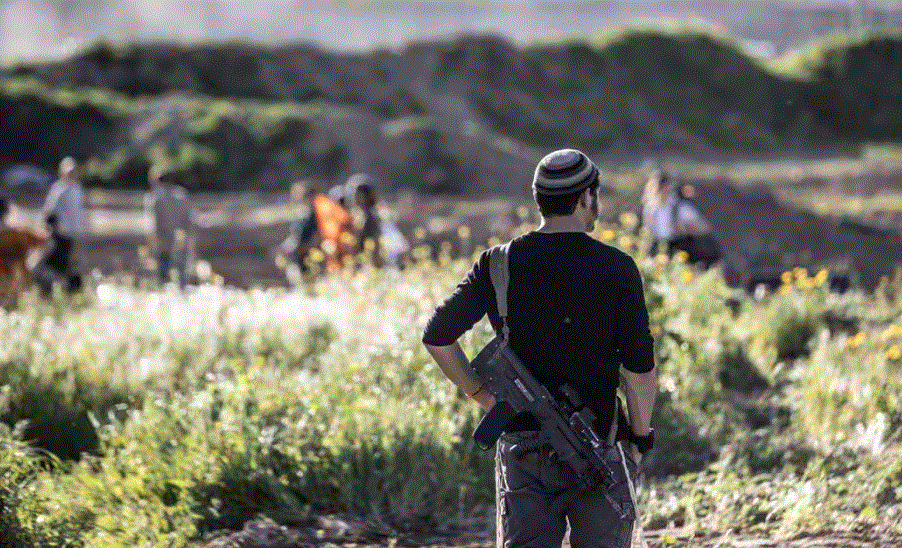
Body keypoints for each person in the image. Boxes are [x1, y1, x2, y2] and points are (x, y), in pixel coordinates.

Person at [423, 149, 657, 548]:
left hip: (523, 453)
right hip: (600, 445)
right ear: (585, 197)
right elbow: (639, 375)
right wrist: (639, 440)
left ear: (539, 200)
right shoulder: (616, 267)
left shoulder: (498, 264)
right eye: (596, 195)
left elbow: (437, 336)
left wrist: (481, 393)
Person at [640, 170, 720, 268]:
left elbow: (703, 227)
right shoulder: (650, 209)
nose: (662, 190)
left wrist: (686, 228)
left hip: (677, 246)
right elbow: (649, 232)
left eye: (664, 187)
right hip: (658, 247)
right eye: (659, 187)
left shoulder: (680, 207)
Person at [144, 165, 194, 289]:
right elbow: (191, 221)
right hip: (181, 243)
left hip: (163, 243)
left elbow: (153, 225)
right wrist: (190, 244)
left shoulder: (154, 197)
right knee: (181, 280)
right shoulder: (182, 194)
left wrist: (153, 246)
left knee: (162, 281)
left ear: (155, 180)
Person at [41, 157, 84, 277]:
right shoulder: (59, 189)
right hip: (60, 233)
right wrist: (51, 230)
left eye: (74, 171)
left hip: (73, 232)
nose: (72, 174)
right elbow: (49, 211)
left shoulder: (78, 189)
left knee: (69, 263)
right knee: (57, 262)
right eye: (70, 172)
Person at [32, 213, 81, 295]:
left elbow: (73, 261)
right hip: (53, 273)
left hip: (58, 273)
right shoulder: (47, 242)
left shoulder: (65, 241)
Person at [280, 181, 321, 273]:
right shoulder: (300, 212)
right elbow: (296, 234)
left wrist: (302, 249)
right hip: (297, 254)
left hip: (309, 253)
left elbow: (317, 236)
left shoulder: (315, 213)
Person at [347, 173, 385, 268]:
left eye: (361, 195)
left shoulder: (371, 217)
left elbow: (377, 246)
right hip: (356, 263)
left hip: (366, 265)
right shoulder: (353, 214)